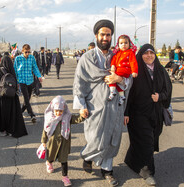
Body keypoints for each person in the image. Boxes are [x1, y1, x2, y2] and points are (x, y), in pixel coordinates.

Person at [73, 19, 132, 186]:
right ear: (96, 36)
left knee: (112, 138)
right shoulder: (87, 58)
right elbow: (80, 83)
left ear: (111, 36)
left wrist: (119, 78)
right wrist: (81, 106)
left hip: (115, 106)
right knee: (96, 137)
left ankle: (108, 171)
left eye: (108, 34)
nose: (105, 37)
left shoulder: (119, 56)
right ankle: (87, 156)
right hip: (94, 107)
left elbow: (129, 80)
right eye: (102, 34)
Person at [124, 44, 172, 186]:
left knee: (148, 140)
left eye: (152, 53)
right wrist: (125, 113)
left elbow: (168, 89)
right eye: (146, 53)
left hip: (155, 113)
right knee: (146, 142)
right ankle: (148, 172)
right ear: (140, 55)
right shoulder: (135, 71)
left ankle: (130, 160)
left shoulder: (160, 70)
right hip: (137, 114)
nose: (149, 55)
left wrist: (160, 96)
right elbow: (128, 95)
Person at [41, 96, 84, 187]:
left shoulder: (67, 116)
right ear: (52, 109)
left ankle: (65, 177)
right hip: (52, 143)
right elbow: (45, 130)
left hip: (64, 143)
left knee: (64, 160)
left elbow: (76, 119)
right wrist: (44, 141)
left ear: (64, 109)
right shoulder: (49, 118)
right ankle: (49, 162)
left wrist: (83, 116)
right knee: (51, 156)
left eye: (60, 111)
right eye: (56, 110)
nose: (58, 113)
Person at [0, 55, 28, 137]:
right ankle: (11, 129)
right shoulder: (12, 71)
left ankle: (3, 130)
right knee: (11, 113)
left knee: (1, 113)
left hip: (1, 96)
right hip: (12, 96)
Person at [14, 44, 42, 123]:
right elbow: (15, 70)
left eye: (29, 52)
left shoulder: (32, 58)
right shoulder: (18, 59)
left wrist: (39, 76)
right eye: (26, 52)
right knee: (26, 98)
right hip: (22, 81)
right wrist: (16, 82)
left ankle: (19, 112)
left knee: (27, 100)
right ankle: (32, 115)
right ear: (22, 51)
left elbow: (35, 67)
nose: (27, 54)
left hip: (30, 80)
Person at [108, 34, 138, 105]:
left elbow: (133, 62)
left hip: (125, 71)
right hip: (118, 71)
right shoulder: (117, 53)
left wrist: (134, 71)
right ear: (118, 44)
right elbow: (114, 60)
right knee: (118, 83)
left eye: (125, 43)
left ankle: (112, 91)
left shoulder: (130, 53)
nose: (123, 45)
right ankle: (122, 96)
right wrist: (112, 66)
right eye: (121, 43)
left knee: (111, 77)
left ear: (129, 44)